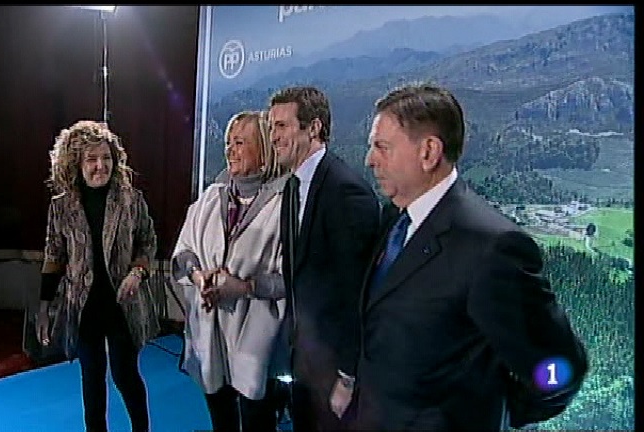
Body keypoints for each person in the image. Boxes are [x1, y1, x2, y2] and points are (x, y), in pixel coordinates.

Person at [330, 83, 588, 430]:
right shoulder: (396, 216)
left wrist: (502, 408)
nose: (369, 160)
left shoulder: (492, 248)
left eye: (382, 147)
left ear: (428, 152)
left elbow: (560, 366)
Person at [268, 86, 381, 431]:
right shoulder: (291, 188)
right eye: (271, 127)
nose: (273, 137)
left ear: (314, 128)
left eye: (282, 126)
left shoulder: (347, 192)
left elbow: (357, 295)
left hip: (337, 374)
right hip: (303, 363)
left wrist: (348, 376)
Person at [36, 120, 160, 432]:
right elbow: (54, 255)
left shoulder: (130, 199)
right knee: (91, 380)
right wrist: (44, 306)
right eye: (91, 159)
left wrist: (138, 272)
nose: (100, 166)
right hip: (83, 307)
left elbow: (148, 241)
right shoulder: (61, 207)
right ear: (75, 163)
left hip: (122, 305)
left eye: (106, 158)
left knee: (125, 375)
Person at [171, 110, 289, 432]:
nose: (230, 150)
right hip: (211, 330)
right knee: (219, 414)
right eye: (228, 143)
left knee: (256, 418)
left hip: (256, 337)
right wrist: (199, 277)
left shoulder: (285, 205)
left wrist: (244, 287)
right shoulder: (211, 197)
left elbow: (291, 278)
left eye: (240, 143)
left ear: (264, 150)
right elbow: (184, 251)